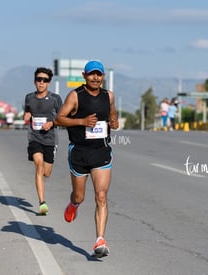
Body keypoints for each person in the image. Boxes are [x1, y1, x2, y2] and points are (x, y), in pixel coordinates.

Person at [55, 60, 119, 258]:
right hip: (80, 153)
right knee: (80, 196)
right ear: (84, 75)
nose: (95, 78)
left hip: (101, 152)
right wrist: (81, 121)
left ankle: (100, 240)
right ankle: (73, 204)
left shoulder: (108, 95)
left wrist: (114, 121)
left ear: (103, 76)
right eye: (92, 74)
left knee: (101, 196)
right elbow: (59, 119)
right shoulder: (76, 95)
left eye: (99, 74)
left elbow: (112, 114)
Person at [23, 67, 62, 215]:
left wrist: (52, 123)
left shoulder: (55, 99)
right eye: (39, 79)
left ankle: (42, 194)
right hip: (35, 137)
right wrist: (26, 115)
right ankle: (42, 202)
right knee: (39, 166)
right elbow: (27, 111)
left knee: (46, 173)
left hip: (51, 139)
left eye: (45, 80)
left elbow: (63, 118)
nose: (41, 82)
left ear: (49, 83)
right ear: (35, 81)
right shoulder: (29, 97)